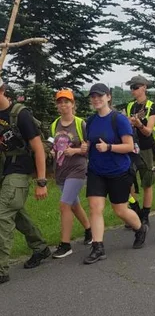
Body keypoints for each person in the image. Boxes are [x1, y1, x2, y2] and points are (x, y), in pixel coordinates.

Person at [83, 83, 147, 264]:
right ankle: (98, 247)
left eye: (100, 96)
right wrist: (85, 147)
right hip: (96, 171)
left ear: (108, 97)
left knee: (120, 210)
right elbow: (91, 144)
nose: (96, 99)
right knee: (95, 208)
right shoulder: (91, 121)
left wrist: (108, 147)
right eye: (93, 96)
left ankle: (140, 228)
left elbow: (128, 146)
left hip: (118, 171)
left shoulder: (118, 119)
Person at [0, 77, 50, 284]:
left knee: (2, 215)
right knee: (16, 211)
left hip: (20, 170)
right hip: (3, 169)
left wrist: (41, 181)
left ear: (2, 90)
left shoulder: (21, 114)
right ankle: (40, 247)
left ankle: (1, 269)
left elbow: (38, 149)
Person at [50, 89, 92, 258]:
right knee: (74, 205)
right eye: (60, 102)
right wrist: (52, 152)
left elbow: (90, 147)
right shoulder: (54, 124)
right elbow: (52, 144)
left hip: (77, 169)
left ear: (73, 104)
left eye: (66, 101)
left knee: (64, 204)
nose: (63, 105)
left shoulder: (81, 124)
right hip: (60, 170)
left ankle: (65, 244)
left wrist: (76, 150)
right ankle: (89, 230)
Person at [125, 75, 155, 227]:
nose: (133, 90)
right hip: (131, 147)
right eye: (131, 87)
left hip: (146, 147)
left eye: (136, 87)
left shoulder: (152, 106)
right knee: (128, 181)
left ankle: (145, 215)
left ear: (144, 87)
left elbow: (148, 131)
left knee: (147, 182)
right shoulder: (130, 106)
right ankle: (134, 212)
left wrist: (138, 124)